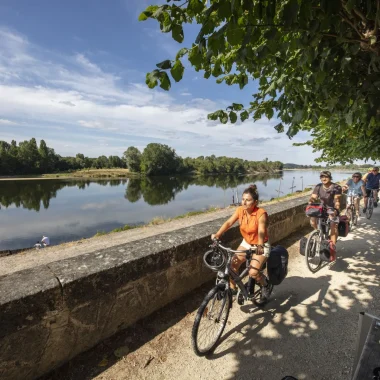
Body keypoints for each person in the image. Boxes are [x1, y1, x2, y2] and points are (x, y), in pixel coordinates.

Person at [211, 184, 271, 306]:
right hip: (247, 243)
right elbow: (229, 222)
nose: (244, 202)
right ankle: (233, 289)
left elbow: (260, 230)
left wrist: (259, 245)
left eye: (248, 200)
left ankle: (266, 285)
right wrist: (217, 234)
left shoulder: (261, 213)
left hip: (261, 245)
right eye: (243, 199)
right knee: (232, 266)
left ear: (255, 202)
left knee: (253, 273)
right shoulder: (240, 210)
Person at [308, 171, 342, 262]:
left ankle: (332, 249)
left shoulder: (336, 187)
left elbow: (337, 200)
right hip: (321, 208)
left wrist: (335, 210)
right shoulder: (318, 186)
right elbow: (314, 197)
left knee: (333, 226)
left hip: (332, 208)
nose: (323, 179)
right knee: (312, 221)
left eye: (326, 177)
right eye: (322, 177)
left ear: (330, 178)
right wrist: (310, 202)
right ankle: (318, 234)